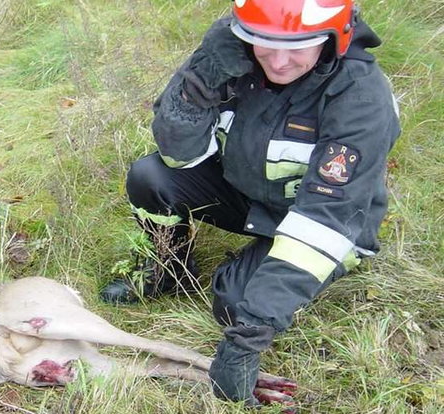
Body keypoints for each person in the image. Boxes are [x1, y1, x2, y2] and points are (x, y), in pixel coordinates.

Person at [101, 0, 400, 405]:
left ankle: (253, 276)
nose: (278, 62)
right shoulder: (229, 56)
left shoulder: (361, 98)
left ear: (334, 39)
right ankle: (167, 272)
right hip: (251, 195)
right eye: (263, 43)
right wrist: (197, 81)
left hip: (330, 222)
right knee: (151, 177)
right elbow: (180, 158)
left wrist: (248, 338)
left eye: (298, 47)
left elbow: (325, 219)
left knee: (236, 305)